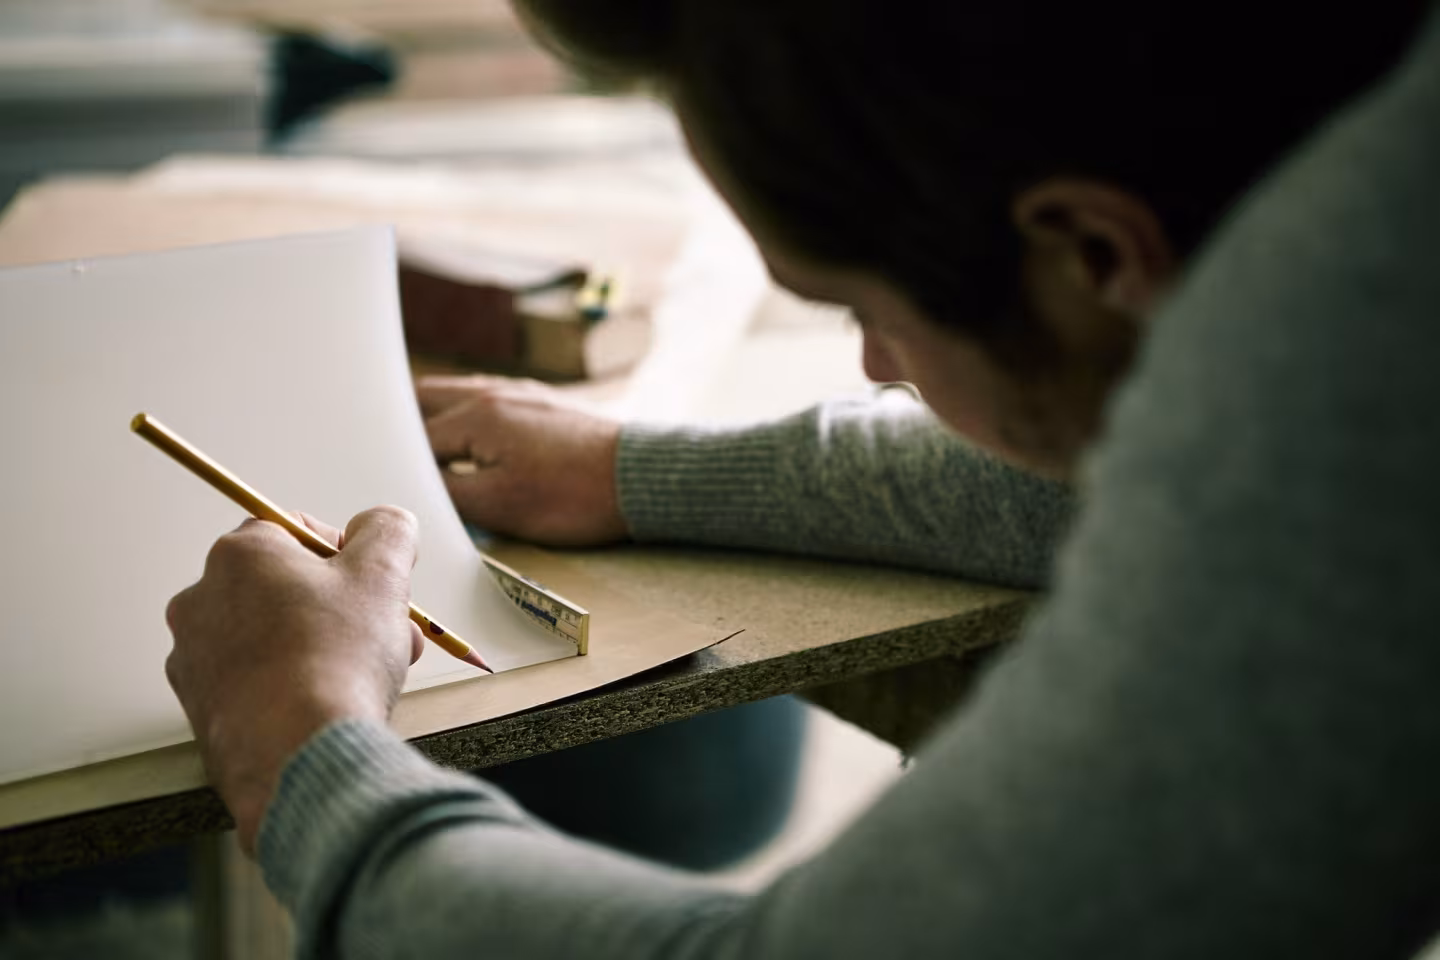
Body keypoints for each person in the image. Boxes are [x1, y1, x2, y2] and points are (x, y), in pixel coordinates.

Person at [163, 1, 1440, 957]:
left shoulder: (1354, 391)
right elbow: (1090, 478)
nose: (878, 370)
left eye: (855, 305)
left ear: (1093, 250)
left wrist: (301, 749)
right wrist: (636, 470)